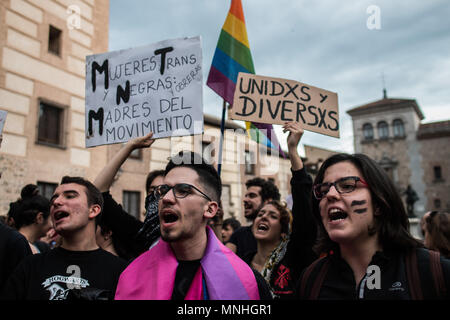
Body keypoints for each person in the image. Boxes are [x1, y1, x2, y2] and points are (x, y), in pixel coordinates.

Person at [115, 151, 272, 300]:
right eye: (163, 190)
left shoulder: (246, 281)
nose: (166, 198)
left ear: (210, 209)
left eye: (183, 190)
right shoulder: (132, 275)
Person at [297, 153, 450, 300]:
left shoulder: (433, 272)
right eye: (323, 191)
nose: (330, 194)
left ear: (378, 204)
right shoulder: (311, 280)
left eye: (347, 185)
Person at [1, 176, 127, 300]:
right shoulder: (30, 267)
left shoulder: (121, 272)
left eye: (70, 196)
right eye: (54, 199)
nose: (56, 202)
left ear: (93, 210)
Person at [244, 121, 317, 299]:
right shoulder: (242, 262)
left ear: (284, 230)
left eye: (273, 216)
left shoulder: (294, 256)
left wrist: (292, 150)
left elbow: (304, 210)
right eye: (261, 214)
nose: (263, 217)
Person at [94, 132, 164, 260]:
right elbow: (98, 192)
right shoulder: (139, 234)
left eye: (163, 190)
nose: (157, 195)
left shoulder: (187, 237)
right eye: (152, 190)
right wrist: (130, 146)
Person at [226, 177, 280, 259]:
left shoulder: (284, 236)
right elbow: (223, 259)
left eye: (252, 196)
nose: (245, 200)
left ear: (268, 202)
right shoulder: (239, 234)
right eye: (246, 196)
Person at [11, 187, 52, 254]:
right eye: (51, 219)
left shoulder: (41, 247)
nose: (52, 225)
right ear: (40, 218)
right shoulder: (12, 245)